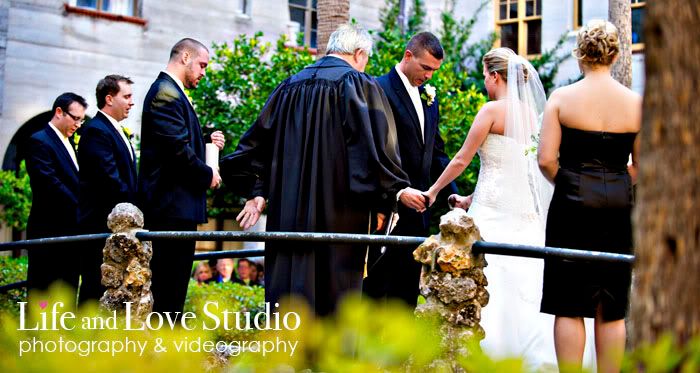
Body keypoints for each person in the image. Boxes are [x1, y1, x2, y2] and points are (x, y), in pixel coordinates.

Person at [220, 23, 409, 316]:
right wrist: (387, 200)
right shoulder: (358, 85)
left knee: (289, 280)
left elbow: (259, 144)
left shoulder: (289, 85)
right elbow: (376, 151)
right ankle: (329, 357)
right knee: (335, 286)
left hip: (288, 210)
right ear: (359, 54)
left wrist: (258, 191)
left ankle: (286, 349)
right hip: (340, 211)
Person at [421, 48, 560, 369]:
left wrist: (433, 190)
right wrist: (468, 198)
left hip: (493, 214)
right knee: (525, 278)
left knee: (491, 275)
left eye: (485, 76)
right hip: (521, 214)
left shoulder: (491, 111)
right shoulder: (531, 114)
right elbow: (518, 168)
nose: (484, 82)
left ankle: (486, 353)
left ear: (495, 76)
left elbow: (460, 159)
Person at [538, 20, 640, 373]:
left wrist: (571, 185)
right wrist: (615, 183)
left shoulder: (562, 99)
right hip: (618, 203)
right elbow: (641, 165)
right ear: (614, 54)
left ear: (581, 53)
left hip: (571, 201)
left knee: (568, 301)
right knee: (611, 304)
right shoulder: (635, 102)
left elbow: (546, 159)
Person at [363, 32, 457, 307]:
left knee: (406, 294)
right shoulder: (377, 89)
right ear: (407, 56)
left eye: (434, 71)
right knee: (375, 291)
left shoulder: (430, 98)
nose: (429, 76)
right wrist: (396, 192)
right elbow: (371, 153)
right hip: (384, 211)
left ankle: (401, 351)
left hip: (418, 214)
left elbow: (436, 151)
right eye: (425, 68)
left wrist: (451, 195)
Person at [138, 38, 225, 314]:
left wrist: (205, 142)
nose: (203, 72)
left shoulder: (171, 92)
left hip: (176, 208)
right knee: (167, 291)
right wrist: (207, 174)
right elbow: (176, 151)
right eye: (202, 65)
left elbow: (179, 142)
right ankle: (163, 353)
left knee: (174, 291)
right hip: (169, 210)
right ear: (185, 56)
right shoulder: (165, 93)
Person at [77, 75, 138, 304]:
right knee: (95, 287)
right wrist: (136, 208)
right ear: (109, 99)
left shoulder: (114, 129)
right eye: (127, 96)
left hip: (113, 227)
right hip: (99, 225)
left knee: (108, 290)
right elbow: (109, 180)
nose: (132, 102)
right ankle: (83, 338)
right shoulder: (96, 130)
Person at [25, 92, 87, 303]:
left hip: (70, 234)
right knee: (44, 296)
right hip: (49, 231)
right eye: (75, 118)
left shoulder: (68, 142)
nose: (78, 124)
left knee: (67, 294)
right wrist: (81, 208)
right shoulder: (39, 141)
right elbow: (50, 184)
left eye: (82, 119)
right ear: (59, 112)